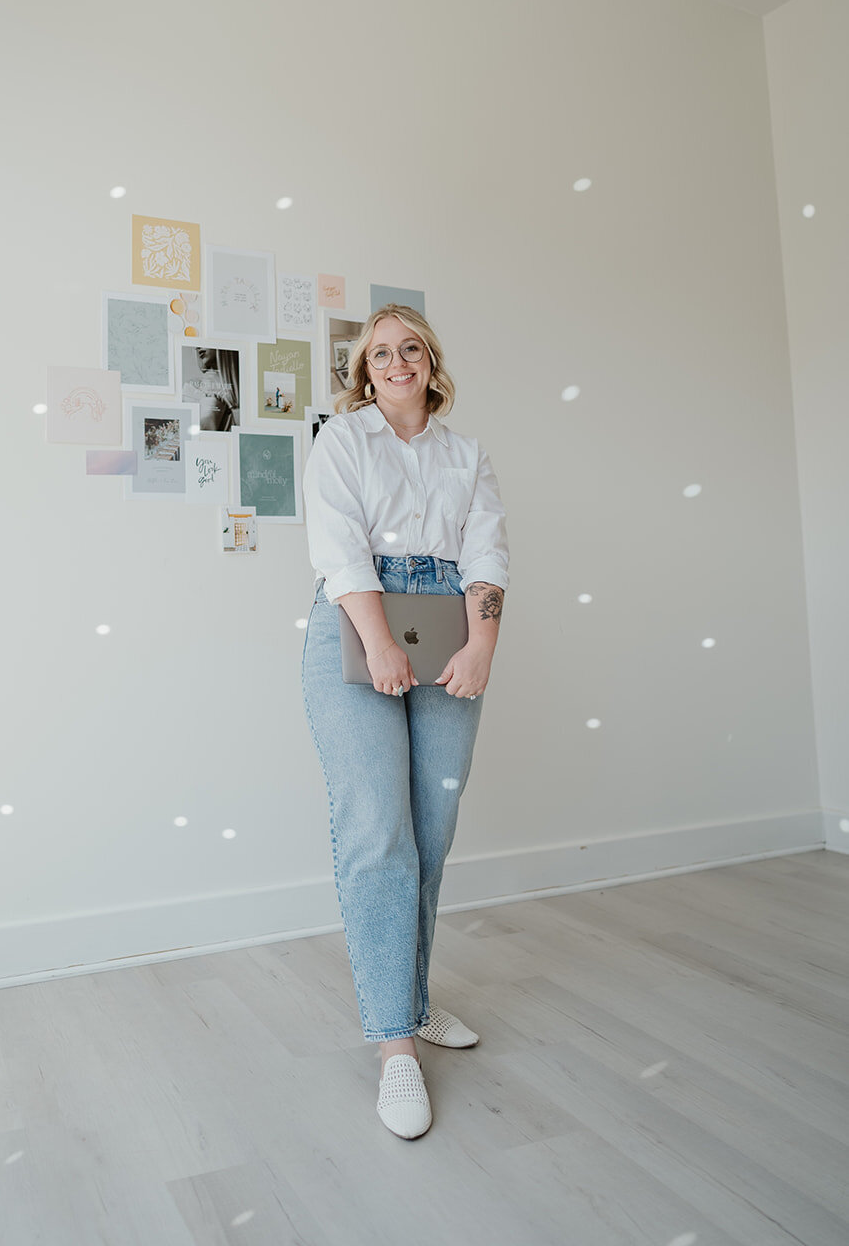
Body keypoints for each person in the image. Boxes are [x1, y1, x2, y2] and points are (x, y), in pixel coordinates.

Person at [300, 303, 509, 1139]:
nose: (394, 361)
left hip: (451, 630)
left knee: (430, 831)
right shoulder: (342, 441)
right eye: (378, 352)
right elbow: (340, 547)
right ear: (363, 370)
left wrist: (482, 646)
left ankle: (412, 1004)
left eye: (408, 348)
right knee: (376, 835)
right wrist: (380, 641)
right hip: (355, 626)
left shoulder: (467, 455)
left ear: (430, 361)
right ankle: (394, 1050)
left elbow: (488, 554)